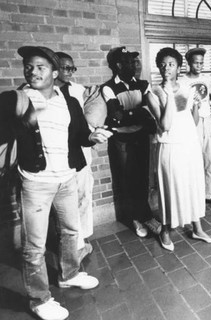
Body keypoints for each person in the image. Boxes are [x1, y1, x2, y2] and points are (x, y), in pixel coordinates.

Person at [0, 46, 112, 320]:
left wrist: (92, 138)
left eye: (40, 66)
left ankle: (69, 274)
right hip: (36, 183)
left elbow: (79, 136)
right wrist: (26, 117)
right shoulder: (16, 98)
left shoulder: (68, 100)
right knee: (34, 246)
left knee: (71, 231)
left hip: (66, 179)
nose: (33, 71)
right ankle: (39, 299)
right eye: (29, 66)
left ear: (54, 72)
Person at [147, 47, 211, 251]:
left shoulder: (188, 89)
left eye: (171, 64)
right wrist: (169, 93)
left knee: (193, 186)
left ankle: (197, 228)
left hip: (189, 144)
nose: (166, 68)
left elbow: (192, 120)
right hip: (169, 147)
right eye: (162, 64)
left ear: (178, 67)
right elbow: (166, 125)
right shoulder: (154, 93)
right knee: (170, 188)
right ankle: (165, 231)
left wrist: (194, 106)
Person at [102, 47, 160, 238]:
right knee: (127, 179)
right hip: (121, 139)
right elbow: (116, 116)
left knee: (143, 177)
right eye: (128, 62)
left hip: (141, 137)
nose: (134, 66)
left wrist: (132, 114)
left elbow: (149, 114)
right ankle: (135, 219)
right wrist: (139, 113)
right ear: (118, 65)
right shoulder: (109, 87)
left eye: (135, 62)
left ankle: (147, 216)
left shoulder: (143, 84)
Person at [54, 51, 95, 261]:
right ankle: (71, 245)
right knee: (64, 206)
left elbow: (82, 122)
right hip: (57, 158)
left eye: (72, 68)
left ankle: (81, 240)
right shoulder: (47, 94)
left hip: (78, 152)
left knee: (83, 196)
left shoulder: (76, 91)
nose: (70, 72)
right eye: (65, 68)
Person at [179, 47, 211, 206]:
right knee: (193, 160)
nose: (199, 66)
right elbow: (180, 108)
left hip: (207, 121)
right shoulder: (182, 82)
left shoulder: (208, 79)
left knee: (209, 159)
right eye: (196, 63)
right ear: (189, 63)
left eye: (201, 63)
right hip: (191, 124)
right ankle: (193, 195)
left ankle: (208, 194)